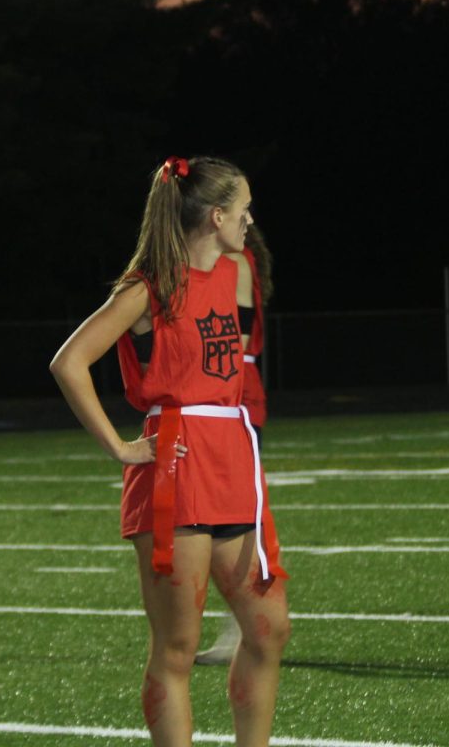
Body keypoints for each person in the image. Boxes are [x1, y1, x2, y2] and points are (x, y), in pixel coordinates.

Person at [50, 156, 290, 747]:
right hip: (175, 471)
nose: (250, 219)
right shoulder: (147, 287)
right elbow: (69, 362)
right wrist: (119, 447)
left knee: (267, 629)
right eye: (243, 209)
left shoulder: (235, 271)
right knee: (177, 648)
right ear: (215, 215)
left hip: (231, 461)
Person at [196, 226, 274, 666]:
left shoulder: (234, 262)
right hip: (219, 399)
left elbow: (226, 345)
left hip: (232, 399)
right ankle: (246, 626)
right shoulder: (226, 262)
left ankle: (248, 627)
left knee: (239, 523)